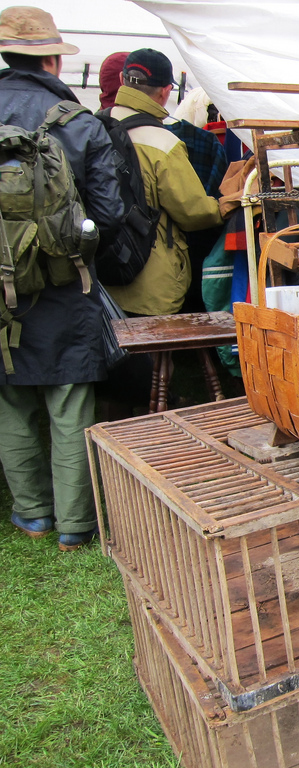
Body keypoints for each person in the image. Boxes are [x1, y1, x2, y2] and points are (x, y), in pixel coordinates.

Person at [0, 6, 124, 551]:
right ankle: (74, 524)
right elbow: (111, 212)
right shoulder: (78, 122)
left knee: (11, 396)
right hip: (64, 281)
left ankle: (31, 514)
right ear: (52, 57)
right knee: (69, 399)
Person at [103, 48, 223, 317]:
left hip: (102, 269)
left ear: (123, 80)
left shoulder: (93, 127)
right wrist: (222, 206)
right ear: (166, 91)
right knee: (156, 353)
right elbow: (194, 213)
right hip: (150, 278)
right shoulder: (163, 143)